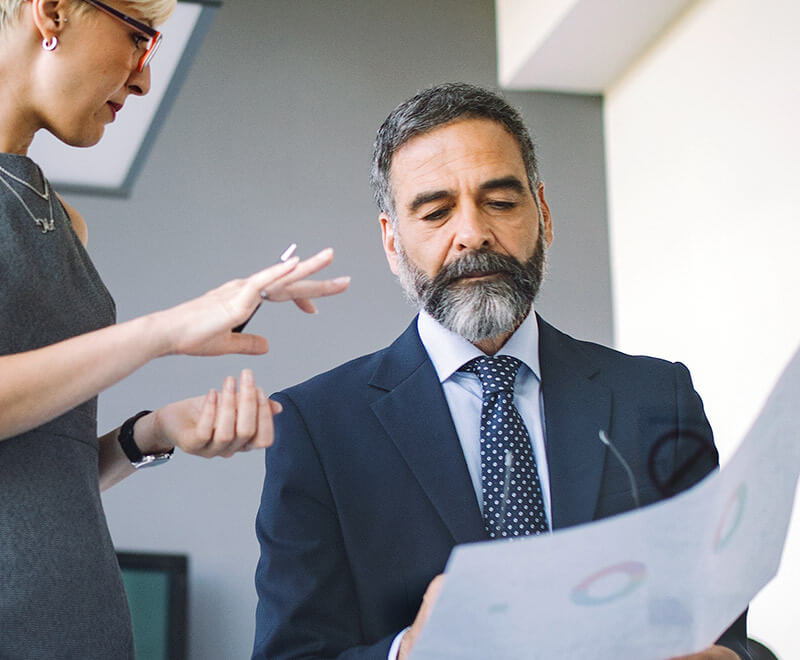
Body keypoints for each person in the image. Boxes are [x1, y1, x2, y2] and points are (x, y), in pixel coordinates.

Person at [253, 83, 750, 660]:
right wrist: (408, 653)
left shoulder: (658, 397)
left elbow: (728, 629)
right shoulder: (315, 428)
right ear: (392, 241)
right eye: (436, 212)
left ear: (543, 213)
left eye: (500, 202)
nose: (472, 233)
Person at [0, 0, 350, 657]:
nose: (142, 78)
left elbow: (41, 479)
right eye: (139, 38)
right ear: (52, 13)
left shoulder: (65, 224)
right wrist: (162, 331)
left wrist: (152, 433)